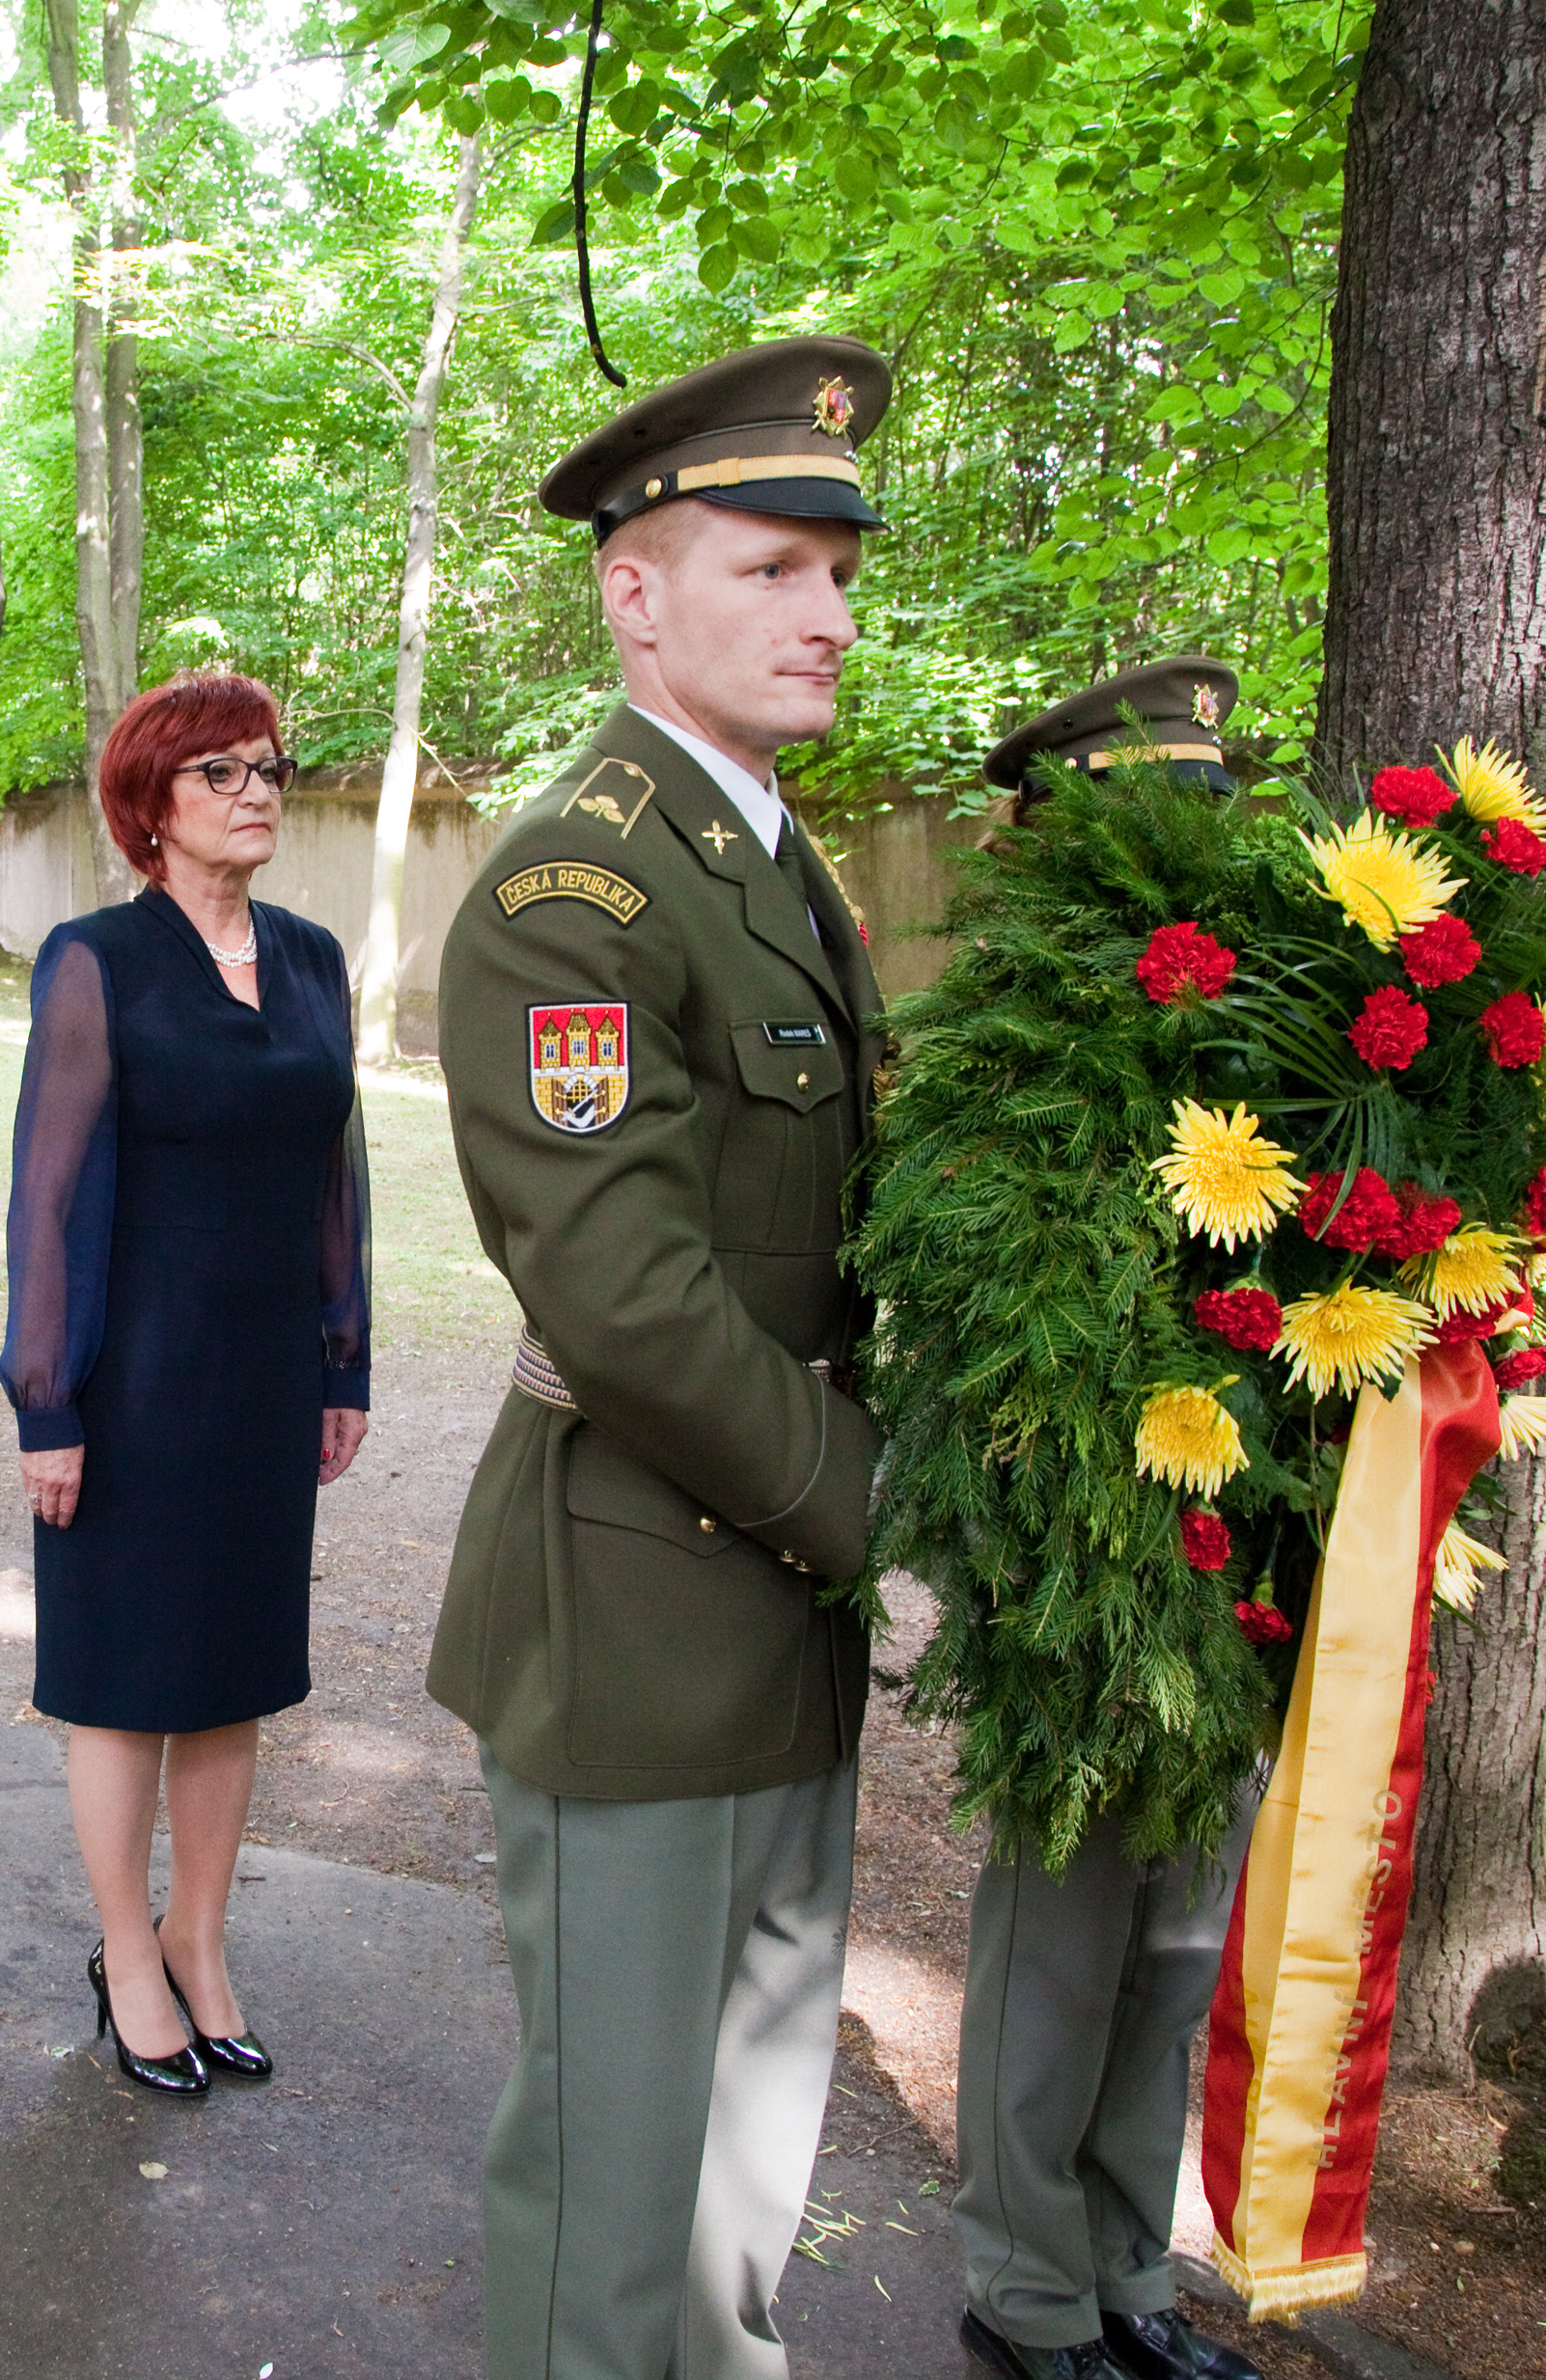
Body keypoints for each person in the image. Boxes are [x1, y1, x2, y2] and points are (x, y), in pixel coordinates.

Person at [426, 337, 892, 2380]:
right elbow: (626, 1300)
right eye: (770, 568)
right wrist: (884, 1521)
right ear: (633, 591)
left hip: (775, 1603)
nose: (826, 613)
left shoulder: (777, 866)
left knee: (741, 2170)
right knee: (613, 2199)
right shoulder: (576, 881)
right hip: (644, 1598)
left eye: (835, 574)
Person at [945, 663, 1263, 2380]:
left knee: (1179, 1932)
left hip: (1235, 1546)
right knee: (1063, 1938)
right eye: (1150, 819)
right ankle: (1028, 2291)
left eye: (1204, 816)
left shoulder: (1262, 1017)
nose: (1184, 854)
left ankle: (1134, 2274)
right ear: (1060, 828)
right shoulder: (1016, 1027)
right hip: (1075, 1556)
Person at [0, 670, 372, 2098]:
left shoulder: (316, 957)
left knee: (233, 1676)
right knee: (124, 1680)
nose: (261, 787)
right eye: (222, 770)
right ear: (150, 803)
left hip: (269, 1374)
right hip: (134, 1379)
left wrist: (344, 1350)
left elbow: (336, 1169)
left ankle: (202, 1941)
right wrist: (48, 1398)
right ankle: (126, 1952)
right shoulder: (96, 959)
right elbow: (48, 1193)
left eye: (270, 764)